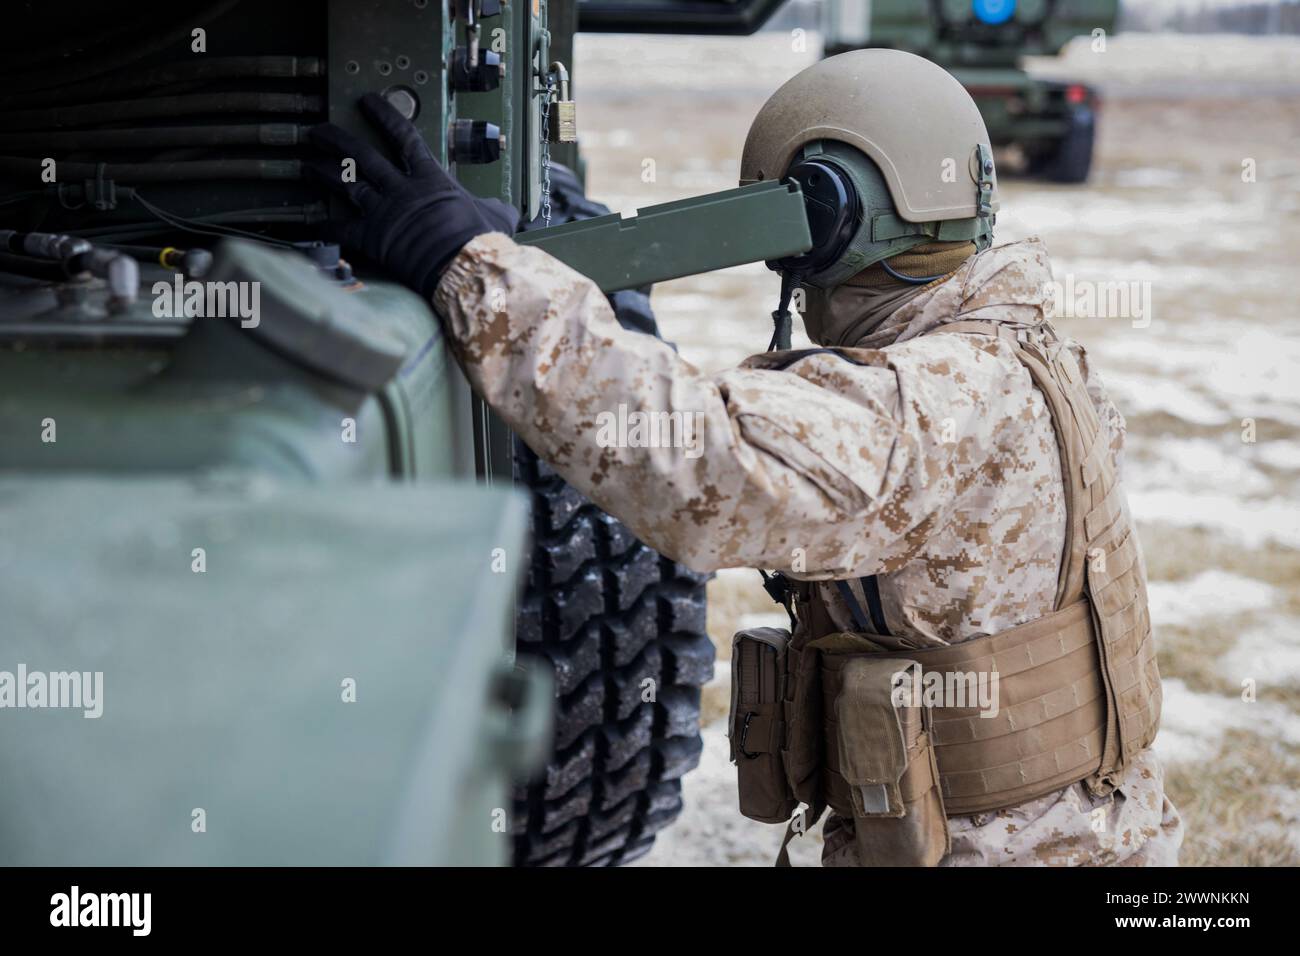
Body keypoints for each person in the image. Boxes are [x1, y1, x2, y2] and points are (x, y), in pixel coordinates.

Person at [308, 49, 1183, 867]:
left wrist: (464, 264)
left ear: (832, 217)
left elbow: (694, 458)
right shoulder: (1015, 350)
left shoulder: (923, 407)